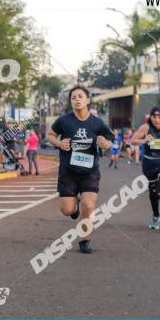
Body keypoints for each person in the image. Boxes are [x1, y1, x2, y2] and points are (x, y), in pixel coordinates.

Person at [48, 86, 113, 254]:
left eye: (80, 96)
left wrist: (106, 144)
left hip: (90, 172)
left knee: (89, 205)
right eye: (73, 97)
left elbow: (110, 139)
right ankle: (74, 208)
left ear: (87, 100)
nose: (77, 99)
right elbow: (51, 135)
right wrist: (59, 143)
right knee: (67, 210)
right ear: (71, 102)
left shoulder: (97, 123)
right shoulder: (63, 121)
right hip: (68, 172)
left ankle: (85, 239)